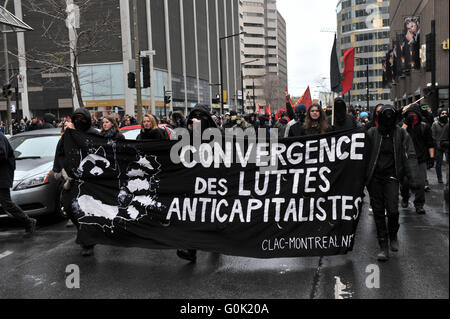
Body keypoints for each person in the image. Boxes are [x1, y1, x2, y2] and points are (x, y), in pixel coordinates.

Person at [366, 105, 419, 261]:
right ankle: (383, 245)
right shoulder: (371, 133)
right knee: (378, 211)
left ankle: (393, 234)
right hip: (374, 178)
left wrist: (414, 179)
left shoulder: (401, 134)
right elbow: (363, 156)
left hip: (392, 177)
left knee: (392, 211)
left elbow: (411, 155)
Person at [53, 108, 100, 257]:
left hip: (89, 180)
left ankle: (88, 242)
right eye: (76, 118)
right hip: (72, 179)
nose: (79, 121)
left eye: (82, 118)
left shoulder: (94, 134)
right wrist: (57, 169)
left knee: (84, 210)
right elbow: (59, 151)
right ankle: (84, 233)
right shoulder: (68, 135)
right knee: (68, 206)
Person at [176, 104, 218, 263]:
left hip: (212, 184)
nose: (198, 119)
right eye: (195, 115)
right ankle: (190, 249)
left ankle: (217, 244)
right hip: (193, 184)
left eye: (201, 116)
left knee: (212, 218)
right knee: (192, 216)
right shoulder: (186, 136)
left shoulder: (216, 135)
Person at [0, 130, 37, 238]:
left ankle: (28, 221)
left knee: (6, 202)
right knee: (5, 202)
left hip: (2, 175)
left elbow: (2, 153)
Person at [400, 104, 435, 214]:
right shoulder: (403, 126)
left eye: (414, 114)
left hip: (420, 159)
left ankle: (419, 205)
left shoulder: (424, 127)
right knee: (405, 183)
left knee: (420, 184)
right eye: (409, 115)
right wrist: (406, 123)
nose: (412, 116)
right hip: (406, 160)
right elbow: (399, 137)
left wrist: (431, 158)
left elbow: (430, 143)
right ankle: (405, 198)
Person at [432, 108, 448, 184]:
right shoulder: (435, 124)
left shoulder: (448, 124)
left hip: (447, 146)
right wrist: (436, 145)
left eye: (446, 113)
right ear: (439, 115)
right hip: (438, 147)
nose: (445, 115)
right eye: (442, 113)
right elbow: (433, 136)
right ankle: (440, 178)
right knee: (438, 164)